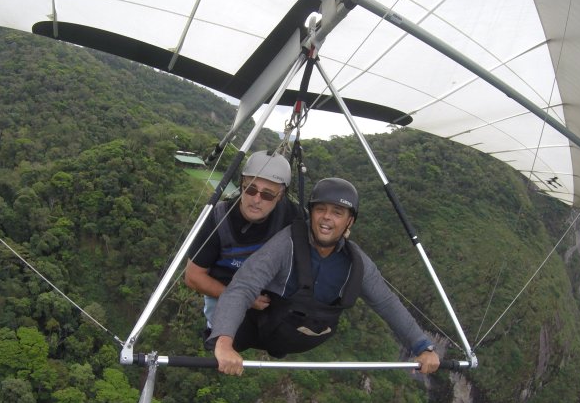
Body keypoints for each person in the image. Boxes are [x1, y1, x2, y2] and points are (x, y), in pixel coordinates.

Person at [207, 177, 440, 376]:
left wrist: (422, 346)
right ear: (312, 213)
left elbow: (386, 303)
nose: (326, 218)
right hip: (258, 326)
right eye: (320, 210)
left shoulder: (356, 263)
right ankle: (219, 335)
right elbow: (243, 286)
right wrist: (225, 343)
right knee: (225, 334)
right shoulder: (285, 244)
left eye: (337, 213)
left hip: (299, 336)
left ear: (350, 221)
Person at [184, 151, 300, 332]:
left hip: (268, 292)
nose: (256, 199)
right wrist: (243, 297)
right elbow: (193, 276)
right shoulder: (219, 217)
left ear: (280, 196)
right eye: (250, 189)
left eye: (268, 195)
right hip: (226, 287)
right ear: (241, 184)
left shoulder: (292, 215)